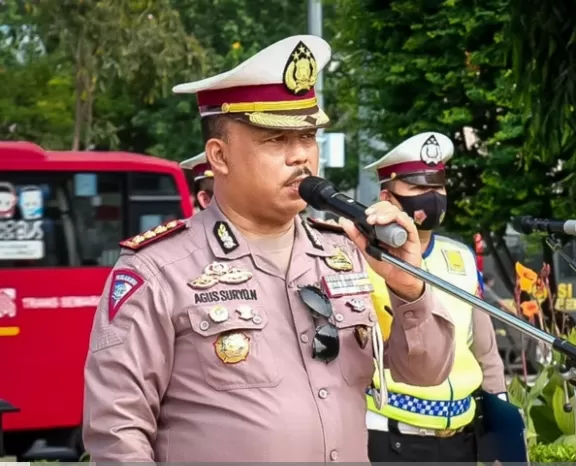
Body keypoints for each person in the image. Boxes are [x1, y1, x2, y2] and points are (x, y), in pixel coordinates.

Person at [81, 35, 457, 463]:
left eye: (308, 136)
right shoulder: (158, 270)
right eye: (276, 139)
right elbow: (117, 433)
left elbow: (426, 372)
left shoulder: (342, 253)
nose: (301, 157)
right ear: (219, 156)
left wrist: (409, 287)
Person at [359, 131, 510, 462]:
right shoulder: (361, 258)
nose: (432, 197)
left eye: (438, 187)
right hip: (392, 434)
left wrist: (501, 413)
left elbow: (485, 350)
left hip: (462, 436)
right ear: (386, 197)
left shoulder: (461, 257)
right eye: (417, 188)